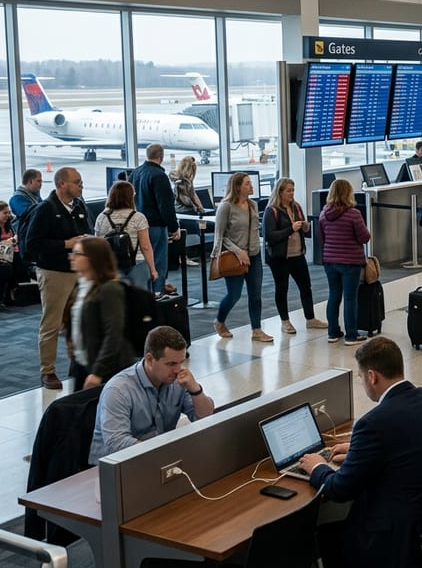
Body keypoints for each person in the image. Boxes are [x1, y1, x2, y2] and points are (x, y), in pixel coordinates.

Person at [298, 336, 422, 568]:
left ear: (372, 376)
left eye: (361, 377)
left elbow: (340, 489)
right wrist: (358, 450)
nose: (362, 383)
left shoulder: (373, 423)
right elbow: (411, 440)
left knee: (328, 536)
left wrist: (316, 466)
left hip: (403, 538)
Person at [88, 326, 213, 463]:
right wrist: (160, 455)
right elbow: (117, 443)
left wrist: (195, 389)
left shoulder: (178, 381)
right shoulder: (118, 390)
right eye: (171, 364)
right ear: (149, 360)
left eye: (181, 362)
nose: (177, 370)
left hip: (153, 459)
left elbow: (205, 417)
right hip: (114, 467)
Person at [25, 167, 92, 390]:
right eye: (77, 182)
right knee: (52, 323)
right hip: (54, 272)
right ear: (62, 184)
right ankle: (48, 371)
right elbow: (32, 245)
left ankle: (78, 364)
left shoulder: (80, 206)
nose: (81, 185)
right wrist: (66, 244)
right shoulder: (45, 209)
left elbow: (87, 230)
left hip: (78, 272)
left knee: (80, 321)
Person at [63, 236, 135, 390]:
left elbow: (113, 332)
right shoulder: (81, 285)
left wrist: (98, 372)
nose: (71, 257)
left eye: (77, 253)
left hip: (107, 371)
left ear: (92, 259)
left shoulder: (110, 289)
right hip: (84, 364)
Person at [212, 172, 272, 343]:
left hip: (254, 255)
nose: (251, 186)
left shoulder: (252, 204)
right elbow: (220, 236)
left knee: (256, 294)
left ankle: (257, 329)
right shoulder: (226, 207)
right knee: (234, 294)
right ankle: (220, 320)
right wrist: (238, 251)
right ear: (237, 187)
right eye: (247, 183)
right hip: (235, 256)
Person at [264, 178, 328, 335]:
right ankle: (285, 321)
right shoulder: (271, 211)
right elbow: (269, 236)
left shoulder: (296, 207)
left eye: (293, 190)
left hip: (297, 254)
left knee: (306, 287)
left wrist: (305, 227)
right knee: (282, 289)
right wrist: (290, 229)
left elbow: (303, 230)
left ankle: (310, 318)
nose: (292, 193)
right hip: (280, 257)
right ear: (280, 192)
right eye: (288, 190)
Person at [319, 178, 372, 346]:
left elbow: (322, 238)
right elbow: (364, 237)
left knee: (334, 295)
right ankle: (351, 335)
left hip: (329, 261)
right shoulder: (353, 214)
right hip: (350, 262)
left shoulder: (324, 213)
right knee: (350, 298)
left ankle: (333, 332)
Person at [130, 144, 180, 295]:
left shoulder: (135, 173)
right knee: (158, 264)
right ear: (161, 157)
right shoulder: (159, 176)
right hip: (156, 226)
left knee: (144, 264)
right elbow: (165, 206)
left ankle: (146, 297)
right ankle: (158, 296)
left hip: (138, 226)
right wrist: (173, 227)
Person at [94, 180, 157, 290]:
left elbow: (97, 245)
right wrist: (152, 269)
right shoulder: (138, 217)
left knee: (116, 297)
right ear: (130, 197)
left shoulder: (102, 217)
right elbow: (145, 246)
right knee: (139, 298)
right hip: (137, 262)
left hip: (111, 264)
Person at [9, 168, 44, 233]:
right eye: (38, 181)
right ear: (30, 181)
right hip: (25, 234)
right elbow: (31, 216)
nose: (41, 184)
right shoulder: (17, 199)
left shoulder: (35, 194)